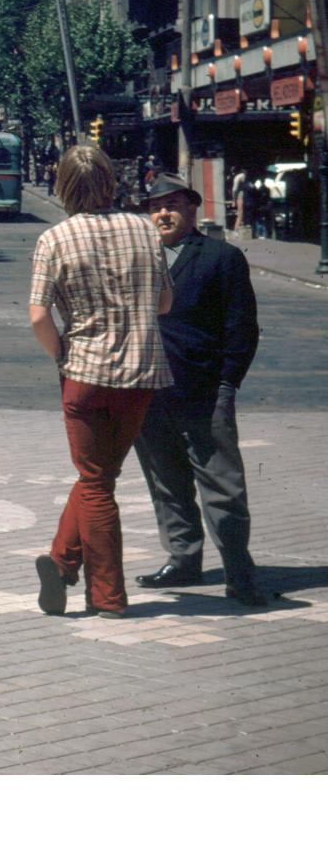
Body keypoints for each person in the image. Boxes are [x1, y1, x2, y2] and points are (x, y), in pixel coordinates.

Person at [28, 145, 174, 619]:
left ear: (63, 186)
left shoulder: (55, 238)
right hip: (140, 373)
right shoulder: (145, 230)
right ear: (111, 182)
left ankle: (107, 597)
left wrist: (62, 354)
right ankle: (60, 562)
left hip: (85, 374)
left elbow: (37, 316)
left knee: (94, 483)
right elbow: (165, 304)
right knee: (102, 476)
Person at [132, 174, 266, 607]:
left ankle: (238, 571)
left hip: (204, 393)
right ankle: (183, 559)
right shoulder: (136, 258)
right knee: (166, 483)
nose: (163, 213)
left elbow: (242, 327)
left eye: (173, 205)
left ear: (192, 210)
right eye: (155, 207)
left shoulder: (220, 258)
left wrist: (227, 384)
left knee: (223, 488)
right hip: (149, 392)